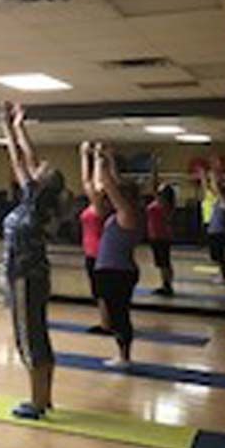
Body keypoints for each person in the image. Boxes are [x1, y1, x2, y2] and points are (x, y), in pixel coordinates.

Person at [0, 102, 64, 420]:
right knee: (38, 336)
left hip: (26, 278)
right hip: (29, 277)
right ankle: (44, 398)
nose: (35, 166)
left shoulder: (37, 207)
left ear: (42, 184)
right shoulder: (33, 201)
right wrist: (14, 126)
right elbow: (22, 157)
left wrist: (10, 127)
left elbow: (22, 159)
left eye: (40, 169)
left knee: (28, 340)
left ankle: (37, 404)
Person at [93, 144, 141, 368]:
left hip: (117, 272)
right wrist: (111, 159)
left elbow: (111, 185)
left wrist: (100, 159)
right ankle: (122, 354)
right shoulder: (125, 213)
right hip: (111, 270)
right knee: (113, 316)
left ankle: (124, 357)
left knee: (119, 315)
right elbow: (116, 183)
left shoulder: (128, 213)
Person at [79, 141, 112, 331]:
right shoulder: (98, 207)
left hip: (97, 254)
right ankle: (107, 321)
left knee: (101, 291)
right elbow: (92, 182)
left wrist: (85, 156)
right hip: (95, 253)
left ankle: (106, 324)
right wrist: (97, 157)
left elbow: (87, 182)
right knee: (100, 290)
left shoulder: (100, 208)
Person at [146, 157, 176, 295]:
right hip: (157, 236)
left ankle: (167, 285)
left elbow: (153, 185)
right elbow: (154, 185)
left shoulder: (163, 204)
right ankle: (166, 284)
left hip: (161, 237)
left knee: (164, 263)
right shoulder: (161, 203)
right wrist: (154, 169)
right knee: (163, 263)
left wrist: (154, 168)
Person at [203, 168, 225, 284]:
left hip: (220, 232)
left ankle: (224, 276)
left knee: (220, 256)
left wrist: (213, 177)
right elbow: (211, 190)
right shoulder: (222, 201)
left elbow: (217, 190)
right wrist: (206, 178)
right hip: (217, 231)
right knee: (217, 256)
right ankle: (223, 274)